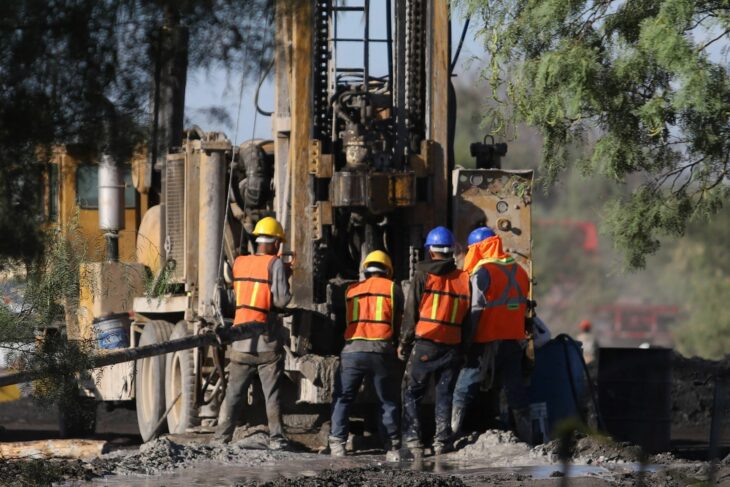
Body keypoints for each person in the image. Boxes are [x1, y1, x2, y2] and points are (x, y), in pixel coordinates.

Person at [214, 216, 291, 450]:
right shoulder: (275, 264)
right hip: (265, 342)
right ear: (276, 242)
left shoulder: (240, 262)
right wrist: (286, 278)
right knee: (272, 394)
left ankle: (220, 438)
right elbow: (281, 300)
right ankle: (277, 439)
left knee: (234, 395)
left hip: (240, 340)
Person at [452, 226, 533, 443]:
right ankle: (527, 437)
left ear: (480, 248)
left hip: (487, 337)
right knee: (514, 387)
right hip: (514, 338)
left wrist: (468, 338)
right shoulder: (519, 270)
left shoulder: (483, 272)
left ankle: (451, 434)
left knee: (464, 385)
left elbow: (476, 307)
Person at [398, 227, 471, 456]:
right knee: (444, 393)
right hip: (452, 346)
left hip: (426, 344)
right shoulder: (463, 278)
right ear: (452, 251)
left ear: (431, 251)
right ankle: (442, 441)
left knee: (411, 391)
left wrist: (404, 342)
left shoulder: (422, 275)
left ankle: (413, 442)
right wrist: (465, 347)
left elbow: (411, 313)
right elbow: (468, 317)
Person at [329, 250, 404, 461]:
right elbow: (398, 323)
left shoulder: (351, 290)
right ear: (387, 270)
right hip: (381, 351)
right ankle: (393, 448)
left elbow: (343, 323)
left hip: (352, 352)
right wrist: (399, 346)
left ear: (366, 270)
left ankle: (337, 445)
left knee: (343, 398)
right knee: (387, 400)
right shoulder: (393, 289)